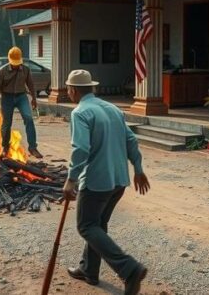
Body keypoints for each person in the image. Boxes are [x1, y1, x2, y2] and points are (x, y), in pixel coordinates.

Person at [62, 69, 150, 295]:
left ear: (72, 90)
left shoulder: (80, 112)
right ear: (92, 88)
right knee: (97, 225)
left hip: (96, 181)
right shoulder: (113, 109)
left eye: (69, 90)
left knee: (86, 226)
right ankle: (89, 270)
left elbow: (81, 149)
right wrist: (138, 169)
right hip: (119, 180)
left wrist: (71, 180)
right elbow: (131, 140)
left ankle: (128, 268)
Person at [0, 47, 43, 159]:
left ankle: (33, 147)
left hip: (21, 97)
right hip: (6, 98)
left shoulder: (26, 70)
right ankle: (5, 147)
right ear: (10, 60)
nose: (16, 65)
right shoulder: (2, 71)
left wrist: (34, 99)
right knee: (6, 123)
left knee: (29, 119)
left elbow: (31, 85)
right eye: (14, 63)